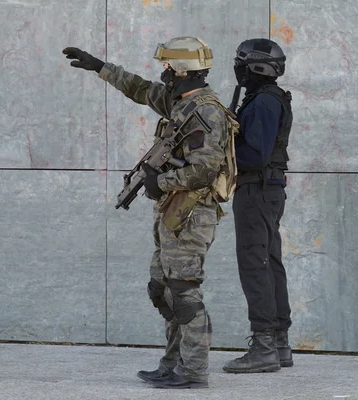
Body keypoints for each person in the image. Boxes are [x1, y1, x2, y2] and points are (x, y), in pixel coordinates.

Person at [63, 36, 233, 389]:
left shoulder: (205, 111)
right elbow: (141, 90)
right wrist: (100, 67)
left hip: (191, 214)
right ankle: (172, 363)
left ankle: (195, 370)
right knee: (164, 289)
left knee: (184, 292)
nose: (164, 73)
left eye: (168, 67)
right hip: (174, 213)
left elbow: (203, 170)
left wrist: (162, 182)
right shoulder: (182, 103)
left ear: (182, 71)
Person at [222, 38, 294, 374]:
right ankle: (279, 344)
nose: (237, 68)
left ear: (254, 66)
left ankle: (265, 345)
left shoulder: (264, 102)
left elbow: (255, 155)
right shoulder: (264, 99)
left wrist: (224, 145)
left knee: (255, 263)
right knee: (269, 262)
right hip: (267, 189)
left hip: (257, 190)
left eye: (241, 62)